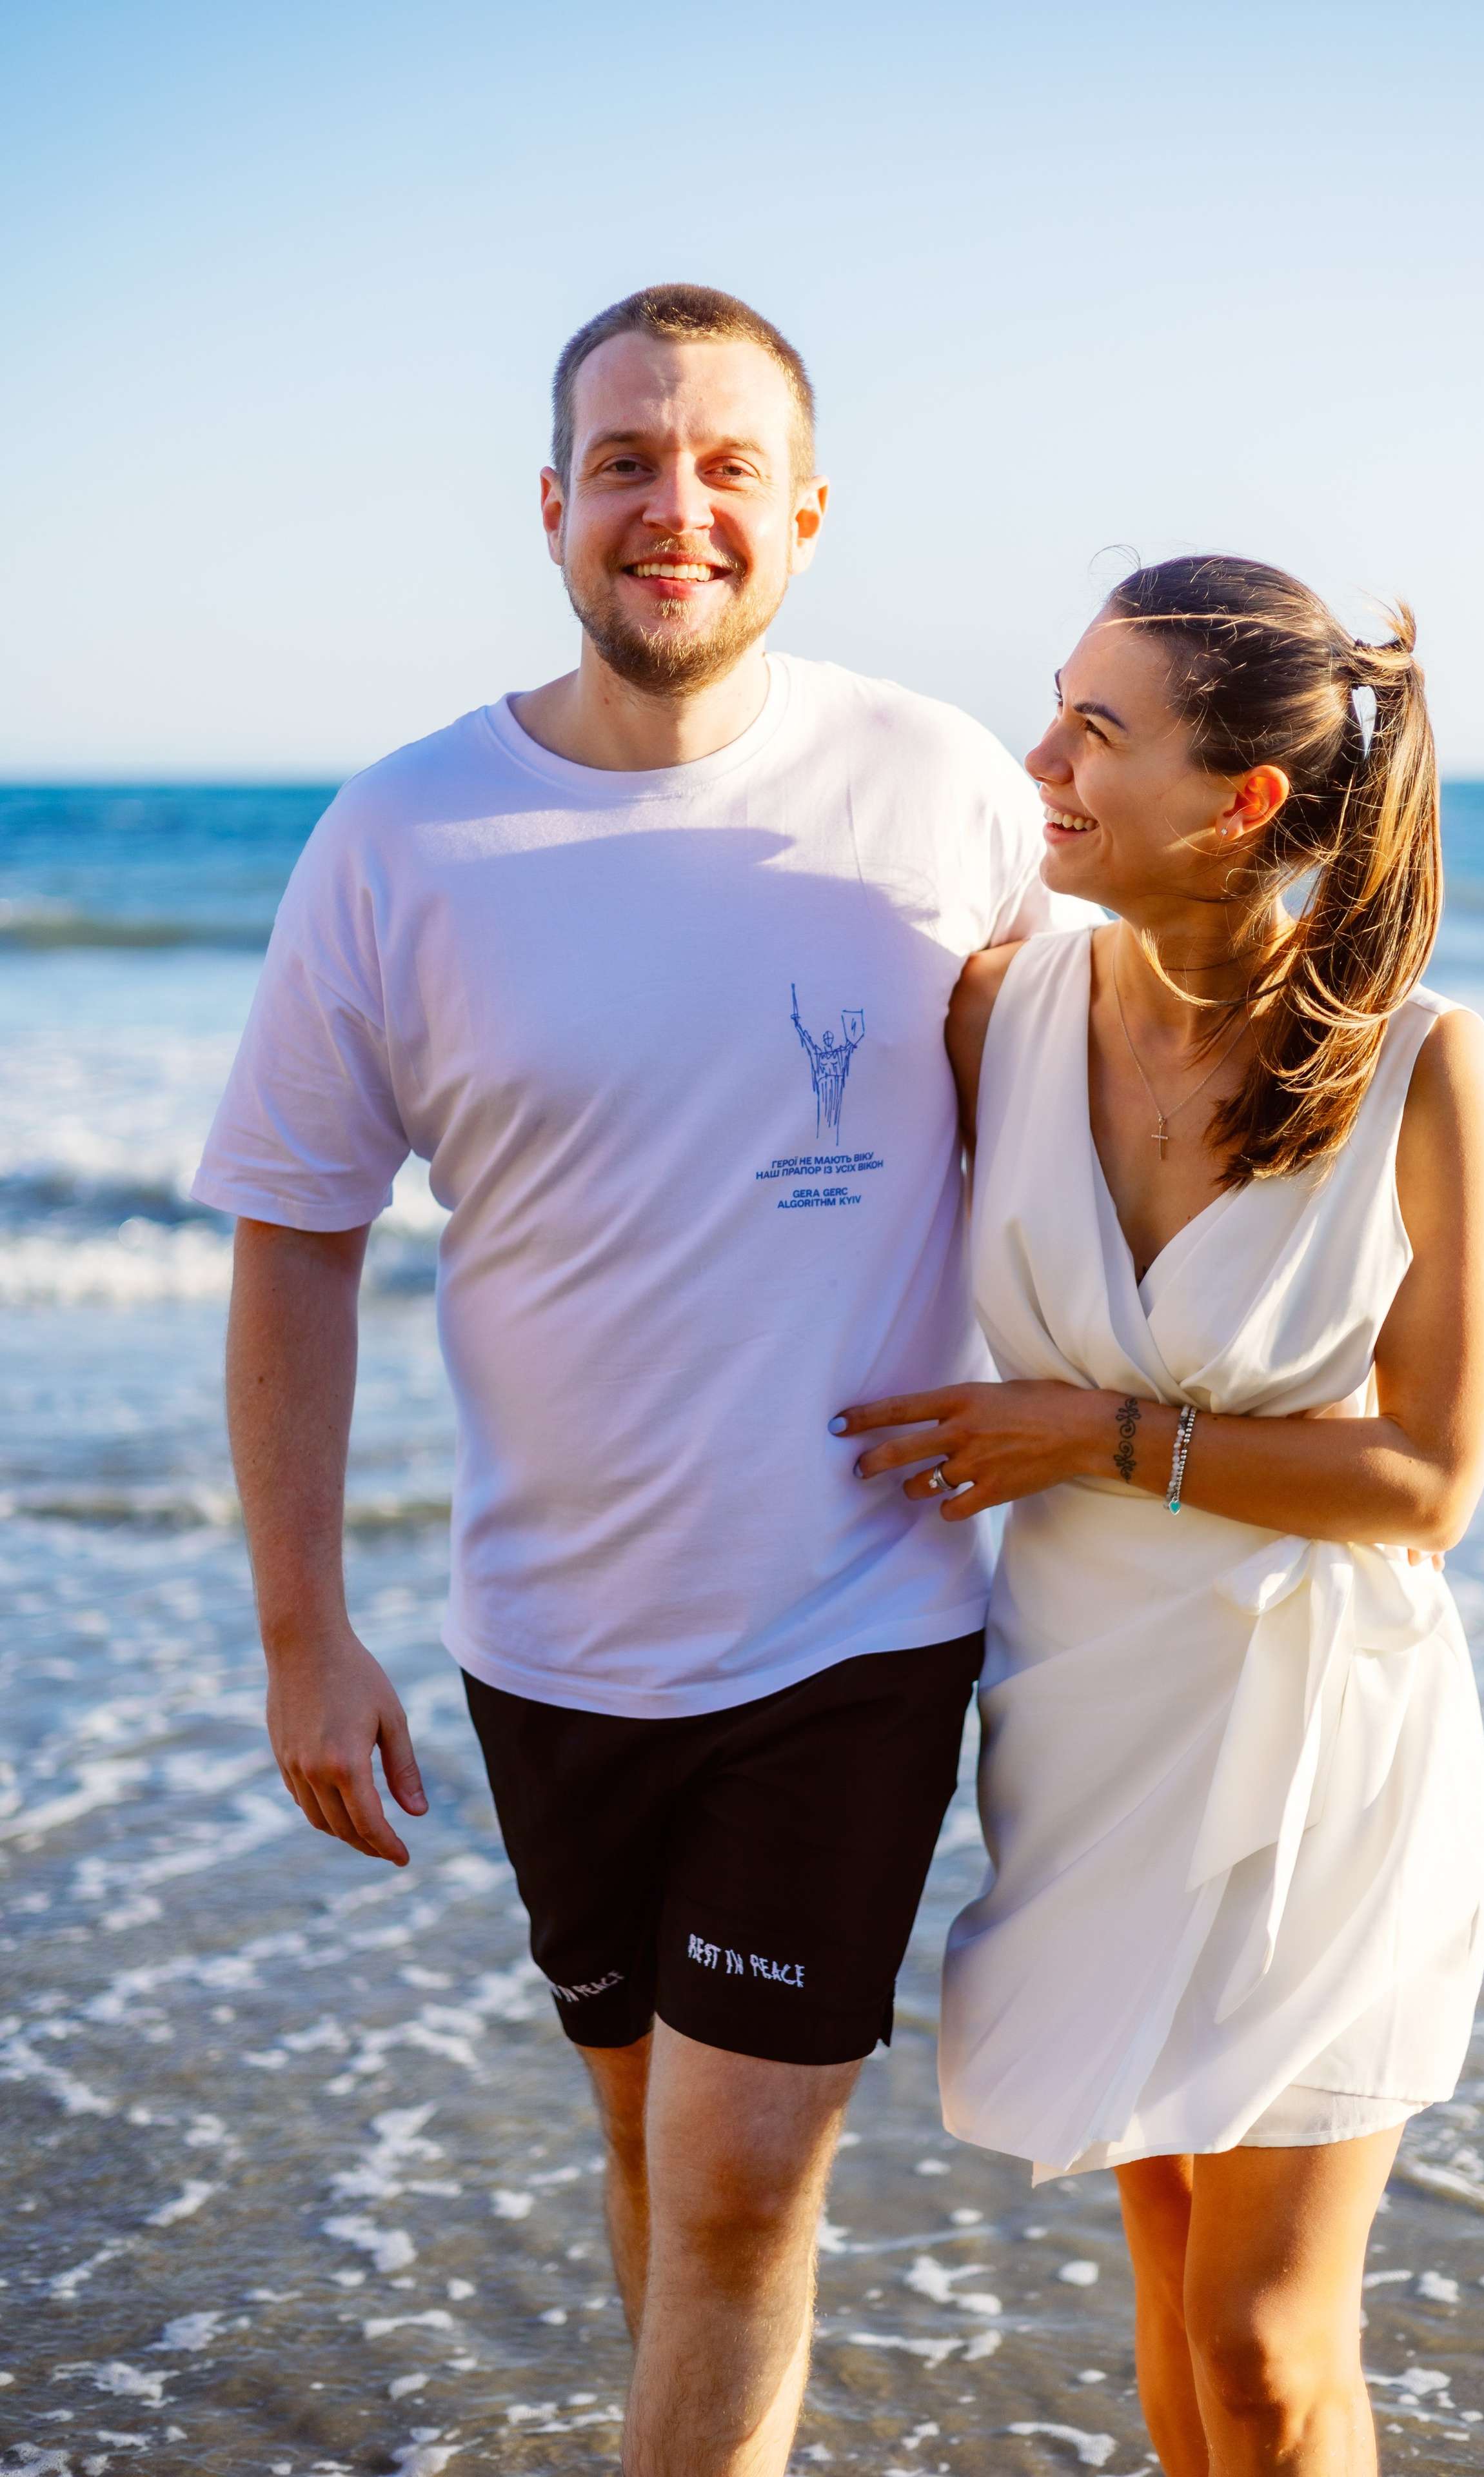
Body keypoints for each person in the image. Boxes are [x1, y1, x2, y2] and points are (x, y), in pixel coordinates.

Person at [192, 284, 1050, 2475]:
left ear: (812, 511)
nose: (680, 508)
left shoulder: (941, 785)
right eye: (633, 463)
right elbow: (298, 1229)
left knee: (750, 2185)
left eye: (730, 463)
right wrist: (307, 1633)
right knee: (665, 2156)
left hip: (863, 1617)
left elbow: (1121, 1091)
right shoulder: (401, 837)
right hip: (550, 1641)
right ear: (554, 505)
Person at [833, 556, 1484, 2476]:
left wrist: (1094, 1433)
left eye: (1096, 732)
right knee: (1170, 2313)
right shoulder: (993, 1016)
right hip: (1086, 1723)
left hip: (1318, 1752)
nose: (1038, 758)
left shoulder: (1419, 1068)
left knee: (1268, 2347)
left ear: (1247, 806)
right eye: (1056, 704)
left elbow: (1429, 1481)